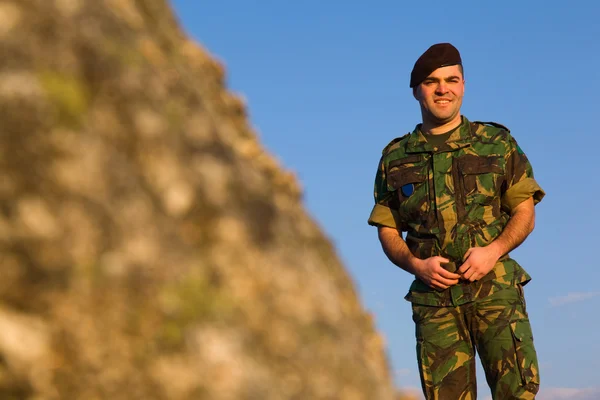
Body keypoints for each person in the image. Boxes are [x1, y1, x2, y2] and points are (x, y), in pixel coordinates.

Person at [368, 43, 545, 399]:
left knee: (518, 394)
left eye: (452, 80)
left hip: (496, 294)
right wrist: (417, 265)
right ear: (417, 90)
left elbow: (525, 211)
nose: (442, 89)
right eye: (432, 81)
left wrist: (494, 251)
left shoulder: (496, 142)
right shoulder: (396, 157)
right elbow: (388, 228)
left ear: (463, 85)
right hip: (435, 305)